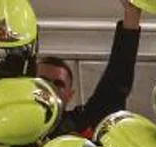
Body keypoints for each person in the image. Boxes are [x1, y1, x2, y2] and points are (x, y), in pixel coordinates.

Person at [38, 1, 143, 137]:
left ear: (69, 96)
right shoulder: (6, 122)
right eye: (43, 81)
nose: (50, 88)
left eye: (59, 84)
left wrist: (132, 16)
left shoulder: (79, 123)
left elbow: (114, 87)